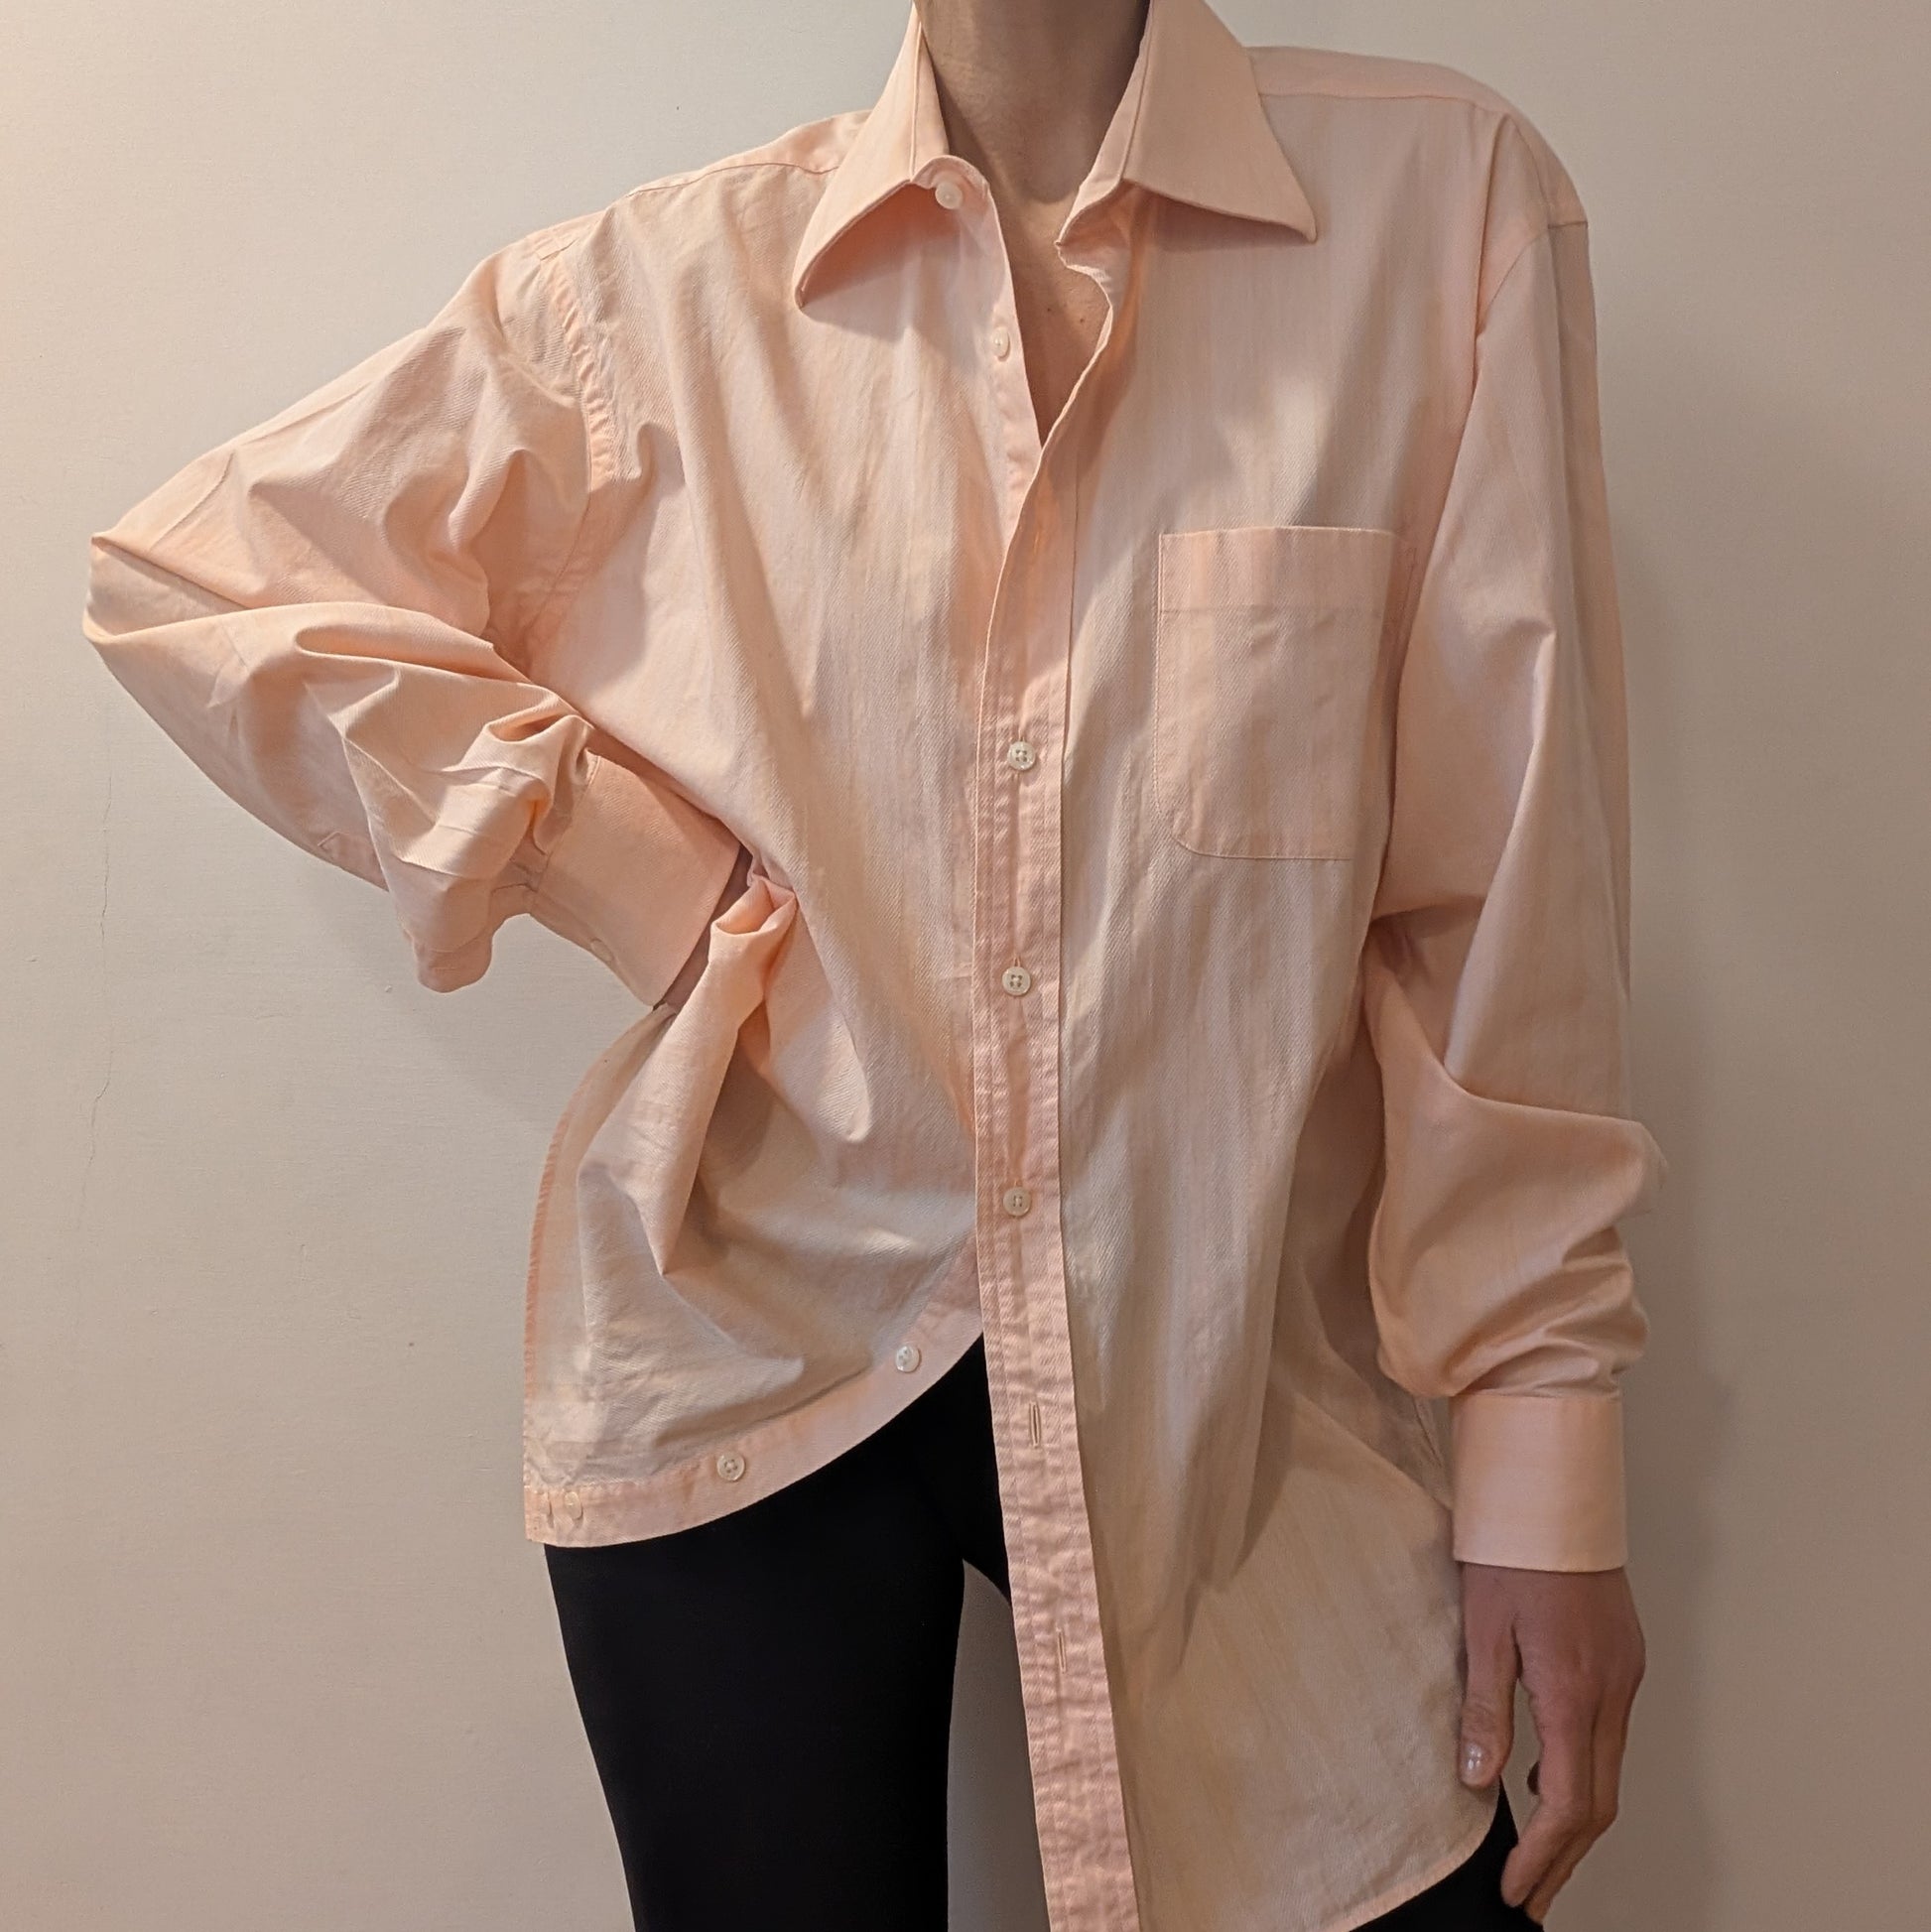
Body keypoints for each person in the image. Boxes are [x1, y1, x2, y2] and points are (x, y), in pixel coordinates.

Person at [81, 0, 1667, 1925]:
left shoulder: (1441, 205)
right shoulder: (655, 300)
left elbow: (1505, 891)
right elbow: (195, 580)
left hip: (1243, 1380)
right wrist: (643, 877)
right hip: (750, 1342)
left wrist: (1543, 1452)